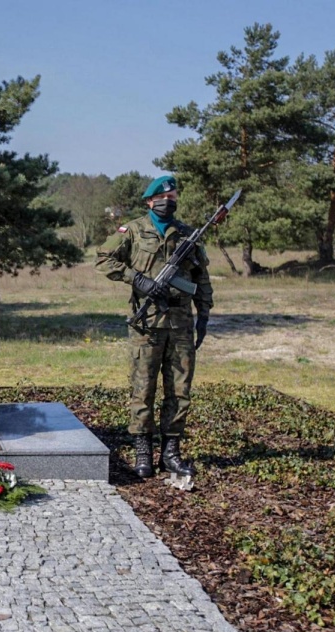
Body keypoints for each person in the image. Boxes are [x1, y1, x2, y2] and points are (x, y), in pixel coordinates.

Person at [95, 175, 212, 480]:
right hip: (146, 324)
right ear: (149, 201)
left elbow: (201, 278)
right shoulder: (133, 230)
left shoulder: (187, 234)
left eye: (173, 197)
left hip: (181, 323)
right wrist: (138, 279)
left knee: (179, 390)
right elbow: (104, 259)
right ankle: (143, 451)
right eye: (162, 198)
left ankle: (171, 454)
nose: (168, 201)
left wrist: (204, 313)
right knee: (143, 388)